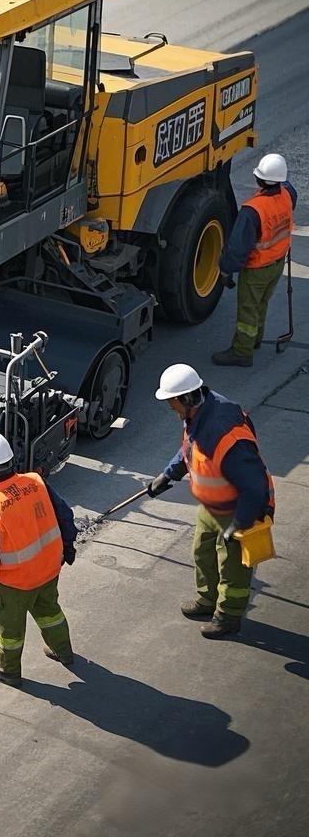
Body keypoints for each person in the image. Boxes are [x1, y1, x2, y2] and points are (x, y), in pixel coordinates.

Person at [147, 363, 275, 638]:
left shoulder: (225, 433)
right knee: (203, 551)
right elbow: (190, 449)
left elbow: (254, 488)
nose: (171, 409)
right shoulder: (198, 413)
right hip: (213, 504)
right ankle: (208, 600)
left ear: (188, 398)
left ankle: (228, 617)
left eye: (173, 403)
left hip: (240, 507)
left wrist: (238, 525)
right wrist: (168, 475)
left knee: (234, 567)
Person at [0, 431, 78, 687]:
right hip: (48, 569)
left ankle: (8, 670)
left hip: (14, 584)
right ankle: (63, 651)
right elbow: (64, 514)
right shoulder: (36, 482)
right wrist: (68, 545)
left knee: (9, 630)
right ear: (12, 461)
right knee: (49, 611)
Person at [214, 153, 297, 366]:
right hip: (277, 262)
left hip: (257, 268)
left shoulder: (253, 211)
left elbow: (237, 249)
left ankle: (242, 352)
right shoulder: (288, 194)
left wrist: (225, 270)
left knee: (248, 309)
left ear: (259, 180)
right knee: (261, 303)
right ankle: (255, 340)